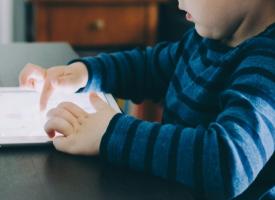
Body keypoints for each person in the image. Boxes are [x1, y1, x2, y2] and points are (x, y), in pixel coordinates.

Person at [19, 0, 275, 199]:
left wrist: (111, 132)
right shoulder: (207, 39)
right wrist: (84, 73)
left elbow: (227, 162)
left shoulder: (267, 63)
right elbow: (151, 67)